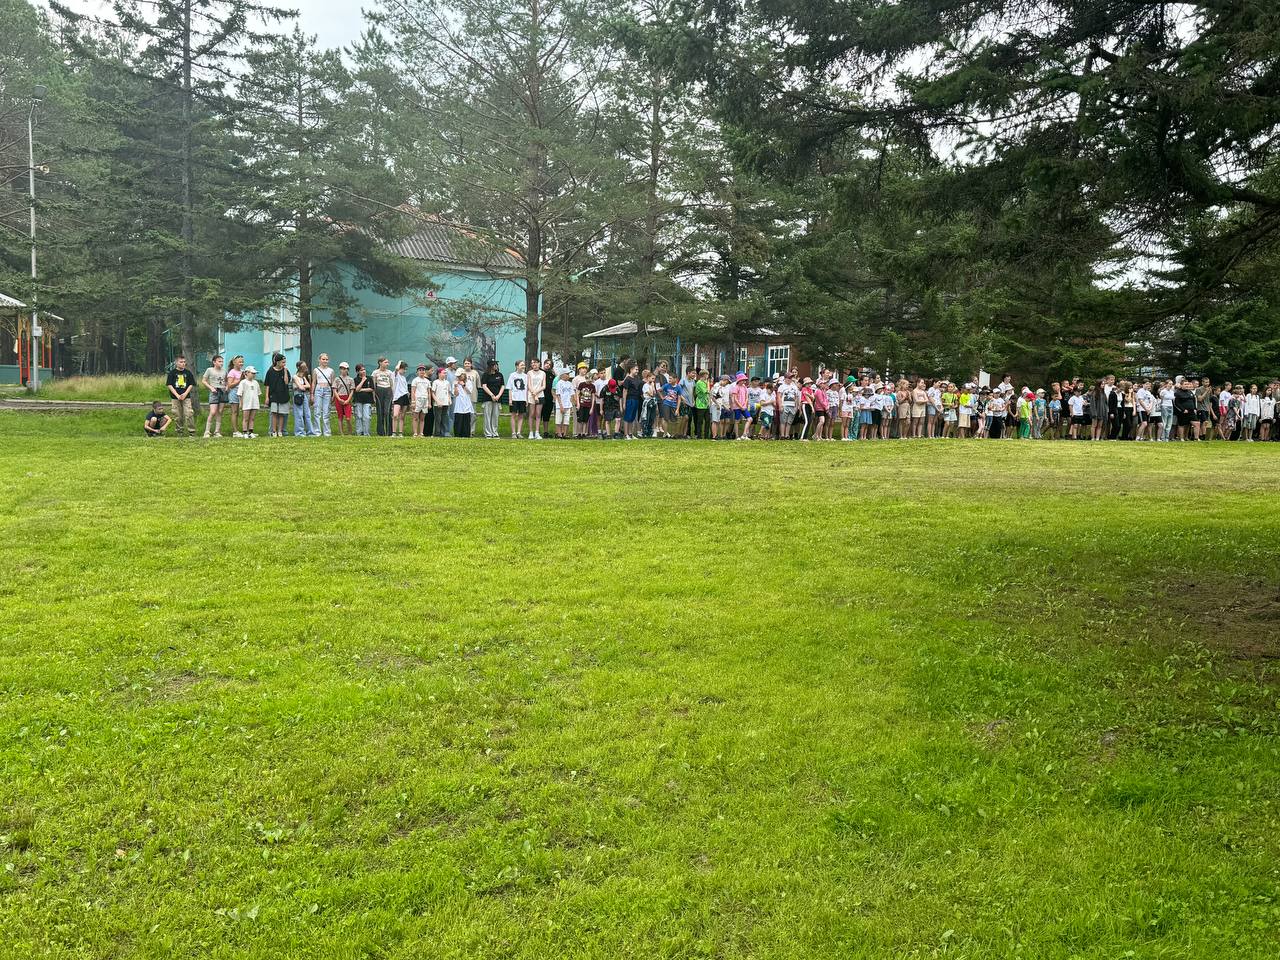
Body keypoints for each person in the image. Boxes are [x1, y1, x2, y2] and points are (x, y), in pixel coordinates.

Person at [166, 356, 197, 436]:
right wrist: (177, 395)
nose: (183, 363)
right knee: (177, 415)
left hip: (186, 397)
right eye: (181, 362)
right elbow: (169, 385)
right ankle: (179, 432)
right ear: (176, 363)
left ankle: (192, 432)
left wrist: (185, 394)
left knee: (189, 413)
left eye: (184, 362)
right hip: (175, 398)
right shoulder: (172, 373)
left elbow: (191, 384)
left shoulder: (188, 373)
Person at [263, 353, 292, 438]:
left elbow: (286, 382)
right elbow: (267, 385)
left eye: (285, 362)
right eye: (283, 362)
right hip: (273, 395)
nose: (284, 364)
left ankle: (280, 431)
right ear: (277, 362)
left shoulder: (285, 371)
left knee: (281, 414)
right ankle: (274, 431)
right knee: (274, 413)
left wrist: (285, 371)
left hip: (283, 395)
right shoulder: (270, 371)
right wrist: (267, 397)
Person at [201, 354, 227, 438]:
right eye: (219, 361)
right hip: (214, 392)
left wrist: (227, 387)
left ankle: (217, 432)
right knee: (213, 412)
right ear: (214, 362)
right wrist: (211, 388)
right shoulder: (209, 370)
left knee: (220, 411)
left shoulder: (224, 371)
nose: (221, 363)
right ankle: (207, 431)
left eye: (222, 361)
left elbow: (226, 381)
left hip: (222, 392)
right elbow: (204, 381)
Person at [311, 353, 336, 437]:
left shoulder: (331, 371)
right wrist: (312, 394)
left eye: (326, 359)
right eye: (323, 359)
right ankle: (317, 432)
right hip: (318, 389)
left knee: (326, 412)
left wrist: (334, 394)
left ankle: (327, 432)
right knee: (317, 411)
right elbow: (314, 382)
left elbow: (333, 383)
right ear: (319, 360)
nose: (325, 361)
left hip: (327, 390)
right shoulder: (316, 370)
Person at [481, 361, 505, 438]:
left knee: (495, 416)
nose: (496, 366)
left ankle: (495, 432)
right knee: (487, 416)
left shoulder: (500, 375)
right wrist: (491, 395)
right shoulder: (485, 375)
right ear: (490, 366)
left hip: (497, 398)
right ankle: (488, 433)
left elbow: (502, 386)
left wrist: (498, 396)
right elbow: (484, 386)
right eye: (494, 365)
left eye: (496, 364)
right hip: (488, 398)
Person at [370, 358, 394, 436]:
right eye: (385, 362)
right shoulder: (375, 372)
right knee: (380, 412)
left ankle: (389, 432)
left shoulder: (389, 372)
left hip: (388, 391)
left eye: (388, 362)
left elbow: (392, 385)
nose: (387, 364)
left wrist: (393, 396)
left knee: (387, 412)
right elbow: (373, 386)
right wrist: (373, 396)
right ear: (380, 363)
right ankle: (381, 432)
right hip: (379, 392)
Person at [507, 360, 529, 439]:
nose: (523, 366)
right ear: (517, 366)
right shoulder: (512, 375)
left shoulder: (525, 376)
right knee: (513, 415)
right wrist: (510, 399)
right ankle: (513, 433)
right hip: (514, 398)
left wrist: (526, 399)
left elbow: (526, 389)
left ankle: (519, 432)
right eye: (521, 365)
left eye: (524, 365)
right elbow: (509, 388)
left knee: (521, 416)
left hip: (522, 399)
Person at [237, 366, 261, 437]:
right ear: (247, 373)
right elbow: (240, 394)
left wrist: (257, 402)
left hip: (254, 403)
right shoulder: (243, 382)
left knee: (252, 418)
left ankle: (251, 432)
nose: (254, 375)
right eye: (252, 373)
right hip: (246, 403)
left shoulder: (256, 382)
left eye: (254, 373)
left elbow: (258, 393)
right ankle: (245, 432)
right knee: (246, 418)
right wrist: (241, 403)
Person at [621, 364, 643, 439]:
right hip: (629, 400)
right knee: (627, 417)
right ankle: (626, 434)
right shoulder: (628, 379)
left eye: (638, 369)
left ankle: (630, 434)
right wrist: (624, 403)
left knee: (632, 417)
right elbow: (624, 391)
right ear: (631, 369)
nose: (637, 371)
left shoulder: (637, 378)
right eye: (636, 369)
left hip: (636, 399)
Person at [292, 361, 314, 437]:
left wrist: (300, 386)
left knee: (307, 414)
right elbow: (301, 387)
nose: (305, 367)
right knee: (299, 414)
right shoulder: (295, 377)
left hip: (304, 395)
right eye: (303, 366)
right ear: (298, 367)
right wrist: (301, 386)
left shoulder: (303, 377)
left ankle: (310, 432)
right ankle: (299, 432)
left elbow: (308, 386)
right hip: (297, 395)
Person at [333, 362, 355, 436]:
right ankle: (341, 433)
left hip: (347, 398)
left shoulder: (351, 379)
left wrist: (348, 400)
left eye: (345, 369)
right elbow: (335, 390)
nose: (343, 370)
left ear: (348, 370)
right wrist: (339, 399)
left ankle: (350, 432)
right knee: (340, 417)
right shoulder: (337, 379)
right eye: (342, 369)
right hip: (339, 398)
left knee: (348, 417)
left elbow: (352, 391)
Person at [411, 364, 433, 437]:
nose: (422, 371)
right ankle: (415, 433)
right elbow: (413, 391)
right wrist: (413, 402)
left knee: (422, 418)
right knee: (415, 417)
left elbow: (429, 393)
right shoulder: (415, 380)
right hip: (417, 400)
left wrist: (429, 403)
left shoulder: (427, 381)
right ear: (417, 372)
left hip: (425, 400)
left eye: (423, 370)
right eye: (420, 370)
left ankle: (421, 433)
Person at [352, 363, 374, 437]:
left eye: (364, 369)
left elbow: (371, 389)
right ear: (358, 372)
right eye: (361, 370)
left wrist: (362, 389)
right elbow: (356, 389)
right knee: (359, 416)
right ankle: (359, 433)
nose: (364, 371)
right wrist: (362, 381)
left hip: (367, 400)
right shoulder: (355, 379)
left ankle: (366, 433)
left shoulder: (369, 378)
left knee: (367, 417)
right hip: (358, 400)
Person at [460, 358, 480, 436]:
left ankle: (471, 431)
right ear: (463, 364)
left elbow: (478, 385)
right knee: (464, 414)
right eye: (465, 363)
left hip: (473, 396)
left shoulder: (475, 373)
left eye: (468, 363)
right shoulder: (461, 373)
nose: (467, 365)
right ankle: (464, 431)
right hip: (463, 398)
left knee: (473, 415)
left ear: (471, 364)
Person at [226, 356, 245, 437]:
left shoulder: (243, 371)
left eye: (242, 362)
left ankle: (243, 430)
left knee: (240, 412)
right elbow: (230, 385)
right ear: (234, 362)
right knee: (234, 412)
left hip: (242, 393)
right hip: (234, 393)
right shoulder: (232, 372)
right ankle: (235, 431)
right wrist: (239, 380)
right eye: (240, 362)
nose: (241, 363)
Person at [432, 367, 454, 437]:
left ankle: (443, 433)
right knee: (438, 419)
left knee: (444, 419)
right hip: (438, 404)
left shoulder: (447, 382)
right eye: (443, 373)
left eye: (445, 373)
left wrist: (449, 400)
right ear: (439, 374)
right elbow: (433, 393)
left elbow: (449, 392)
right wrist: (437, 401)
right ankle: (437, 433)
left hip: (445, 403)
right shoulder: (435, 382)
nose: (445, 374)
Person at [452, 370, 475, 437]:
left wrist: (463, 385)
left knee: (466, 421)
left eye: (460, 375)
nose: (459, 377)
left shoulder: (468, 382)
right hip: (458, 405)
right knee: (458, 420)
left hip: (466, 404)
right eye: (458, 376)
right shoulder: (455, 382)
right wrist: (456, 386)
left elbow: (469, 392)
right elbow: (455, 394)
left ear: (464, 375)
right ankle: (457, 435)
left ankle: (466, 435)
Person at [554, 368, 576, 438]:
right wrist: (561, 405)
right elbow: (558, 395)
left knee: (566, 420)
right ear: (562, 375)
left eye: (568, 374)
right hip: (560, 404)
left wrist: (572, 406)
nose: (568, 375)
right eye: (567, 374)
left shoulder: (570, 384)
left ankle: (565, 434)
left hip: (568, 404)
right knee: (559, 420)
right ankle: (559, 434)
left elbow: (572, 395)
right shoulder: (559, 383)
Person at [391, 361, 410, 437]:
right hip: (397, 397)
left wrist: (408, 394)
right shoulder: (396, 375)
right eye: (404, 369)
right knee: (395, 415)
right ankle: (394, 432)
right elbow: (396, 369)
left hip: (405, 396)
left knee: (402, 416)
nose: (405, 371)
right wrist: (399, 362)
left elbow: (405, 388)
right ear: (400, 368)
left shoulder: (404, 378)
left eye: (406, 369)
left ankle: (400, 433)